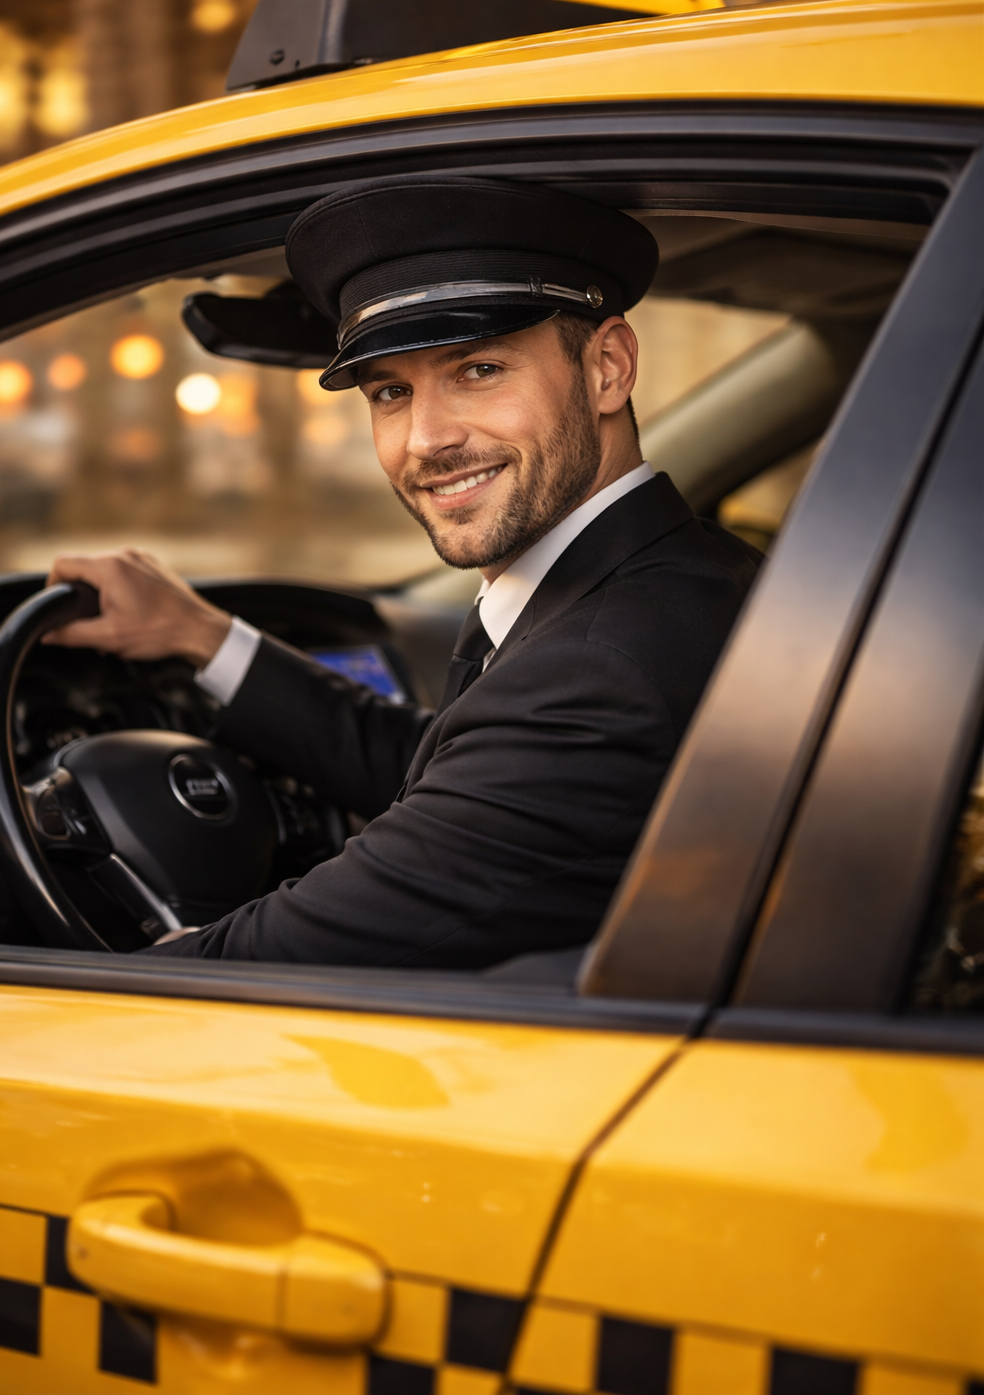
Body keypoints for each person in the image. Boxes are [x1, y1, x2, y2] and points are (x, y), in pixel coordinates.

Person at [45, 176, 761, 967]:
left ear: (608, 368)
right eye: (391, 390)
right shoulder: (679, 579)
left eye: (478, 370)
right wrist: (199, 635)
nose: (426, 439)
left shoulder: (602, 668)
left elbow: (282, 957)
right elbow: (466, 779)